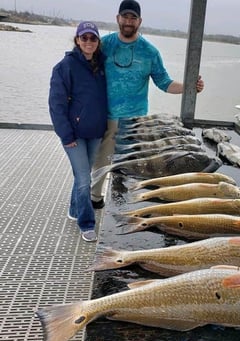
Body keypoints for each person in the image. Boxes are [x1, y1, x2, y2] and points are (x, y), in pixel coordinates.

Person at [91, 0, 205, 208]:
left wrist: (190, 86)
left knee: (131, 165)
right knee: (101, 159)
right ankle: (95, 199)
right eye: (125, 16)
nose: (128, 21)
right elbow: (84, 67)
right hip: (106, 117)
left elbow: (164, 82)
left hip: (136, 122)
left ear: (139, 21)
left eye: (132, 18)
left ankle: (123, 204)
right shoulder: (104, 45)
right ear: (117, 18)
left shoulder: (150, 52)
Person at [49, 21, 108, 242]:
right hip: (73, 135)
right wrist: (66, 135)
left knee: (82, 175)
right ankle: (86, 223)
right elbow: (56, 105)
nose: (89, 42)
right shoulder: (65, 66)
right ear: (77, 40)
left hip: (95, 132)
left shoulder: (102, 65)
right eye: (84, 38)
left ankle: (74, 211)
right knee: (84, 179)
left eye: (93, 38)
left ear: (98, 42)